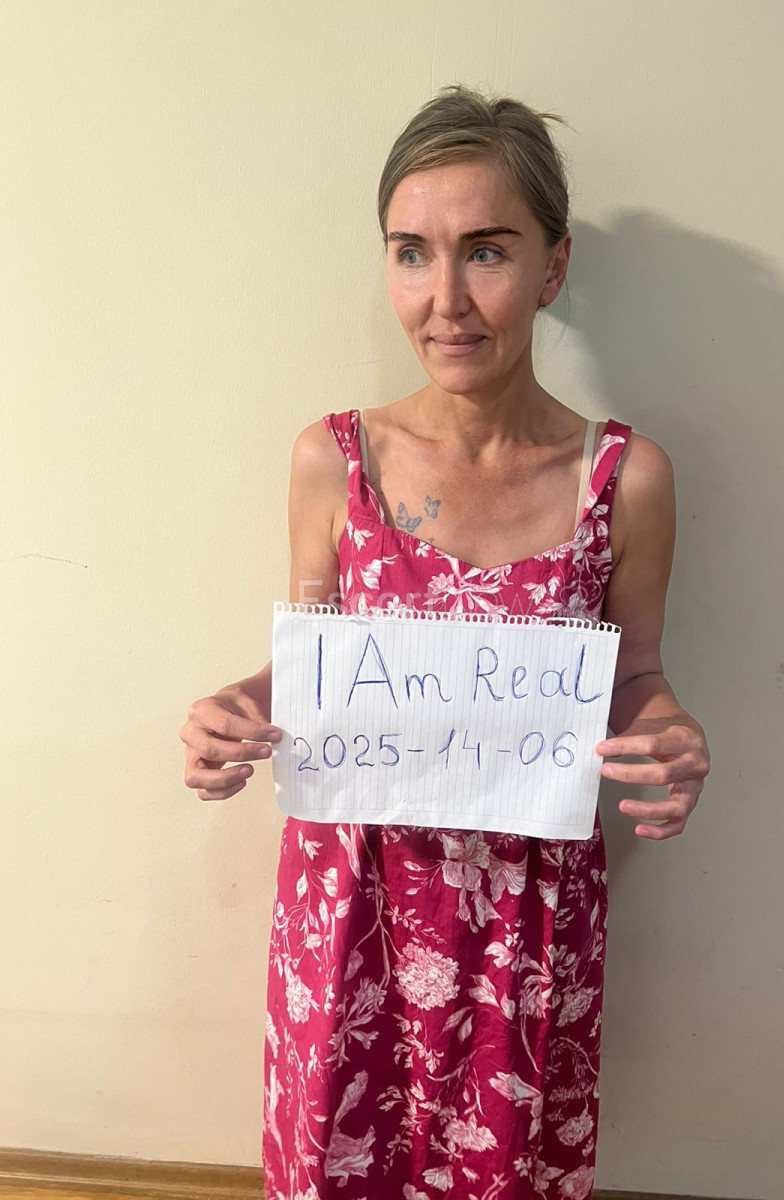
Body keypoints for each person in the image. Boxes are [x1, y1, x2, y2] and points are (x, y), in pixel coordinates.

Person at [180, 84, 709, 1200]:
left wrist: (667, 735)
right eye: (413, 253)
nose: (448, 299)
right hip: (352, 903)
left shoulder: (624, 480)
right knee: (338, 1155)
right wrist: (241, 707)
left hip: (526, 914)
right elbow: (316, 662)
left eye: (488, 251)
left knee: (502, 1167)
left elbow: (636, 675)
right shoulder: (333, 461)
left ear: (553, 268)